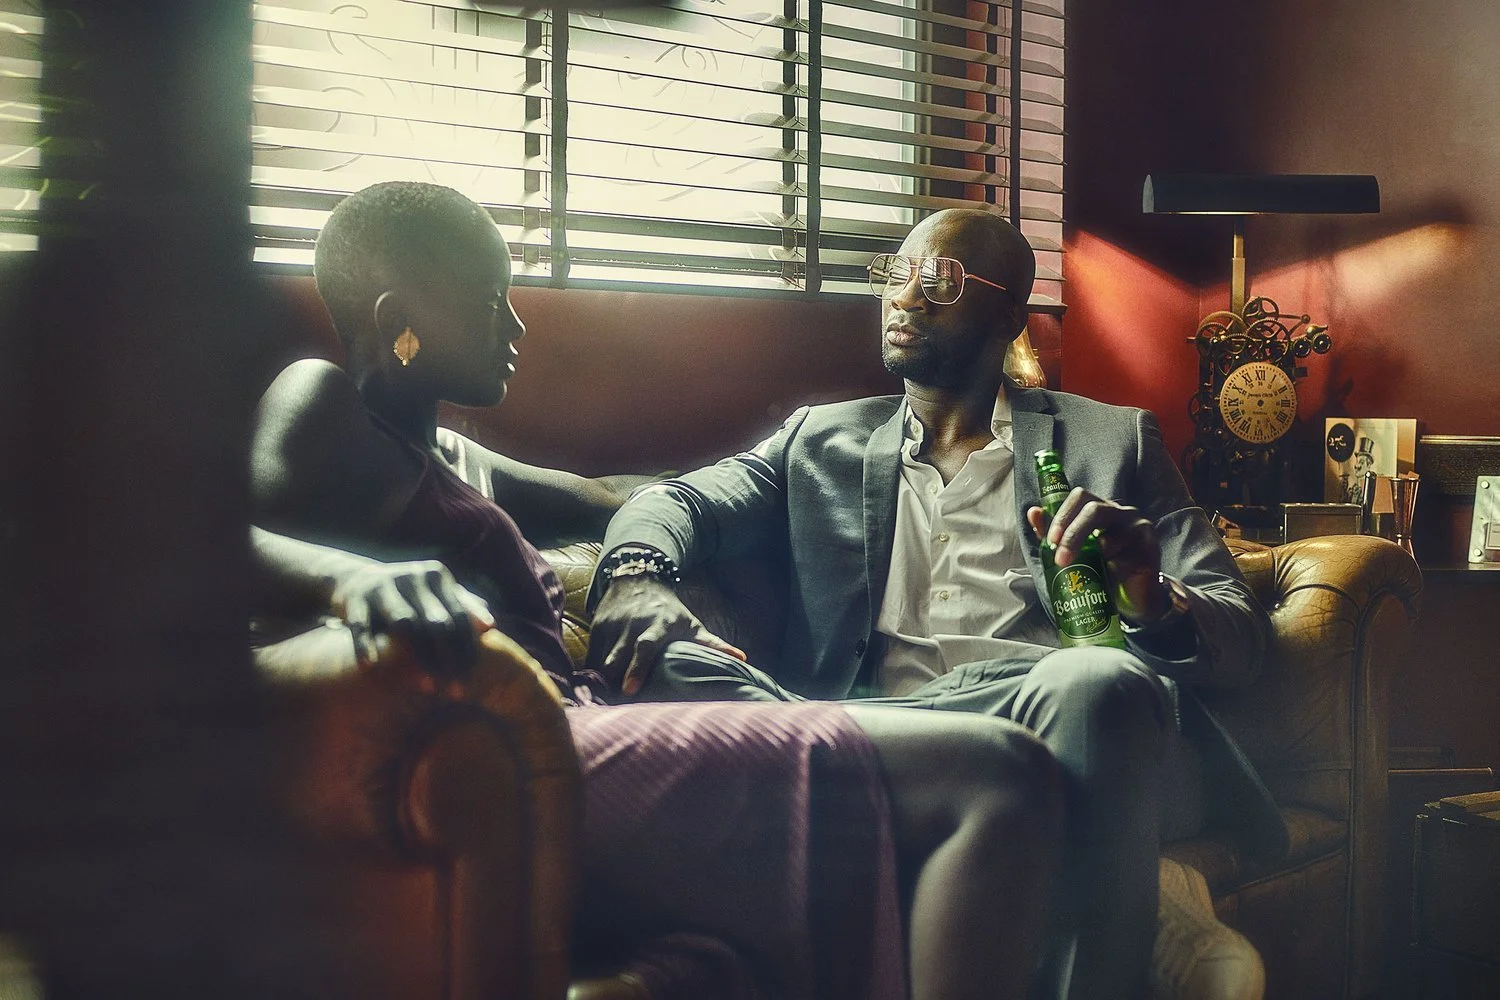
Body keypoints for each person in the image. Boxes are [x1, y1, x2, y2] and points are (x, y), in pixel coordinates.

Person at [249, 181, 1067, 1000]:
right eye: (490, 299)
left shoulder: (464, 462)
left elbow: (623, 496)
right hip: (523, 758)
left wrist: (775, 507)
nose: (516, 324)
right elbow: (200, 547)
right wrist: (350, 578)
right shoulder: (318, 401)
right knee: (1000, 775)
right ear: (400, 325)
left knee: (728, 959)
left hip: (581, 724)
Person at [586, 208, 1290, 1000]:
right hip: (878, 732)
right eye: (896, 273)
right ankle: (1162, 916)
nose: (905, 297)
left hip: (1045, 712)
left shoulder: (1111, 440)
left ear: (1007, 315)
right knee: (680, 668)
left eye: (940, 280)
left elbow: (1241, 631)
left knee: (1096, 684)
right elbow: (679, 502)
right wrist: (638, 573)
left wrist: (1146, 591)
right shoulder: (817, 440)